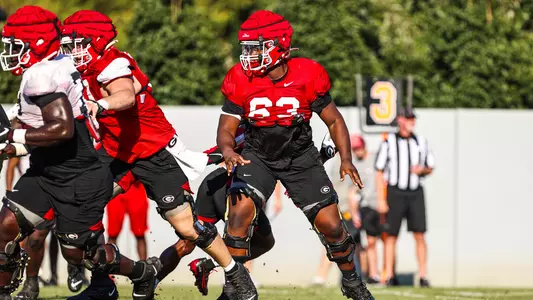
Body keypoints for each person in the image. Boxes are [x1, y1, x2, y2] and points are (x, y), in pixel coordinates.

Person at [60, 10, 257, 300]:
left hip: (152, 152)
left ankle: (234, 273)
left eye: (77, 43)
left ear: (97, 41)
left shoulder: (114, 64)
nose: (72, 51)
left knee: (188, 228)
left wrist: (99, 105)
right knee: (82, 208)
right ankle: (108, 282)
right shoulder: (87, 69)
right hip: (115, 153)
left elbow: (125, 94)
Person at [216, 10, 373, 300]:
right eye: (246, 48)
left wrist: (347, 159)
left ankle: (352, 281)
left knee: (332, 226)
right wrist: (227, 150)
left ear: (279, 46)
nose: (248, 55)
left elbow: (334, 120)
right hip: (257, 155)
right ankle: (233, 286)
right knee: (238, 214)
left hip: (300, 157)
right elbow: (227, 127)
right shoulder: (240, 78)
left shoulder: (308, 74)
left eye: (255, 47)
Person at [0, 6, 155, 300]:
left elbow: (61, 130)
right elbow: (47, 134)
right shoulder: (52, 64)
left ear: (39, 43)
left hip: (77, 176)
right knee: (5, 227)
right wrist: (12, 147)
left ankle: (142, 273)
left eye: (15, 45)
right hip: (47, 169)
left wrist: (13, 135)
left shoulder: (43, 75)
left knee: (81, 255)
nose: (9, 51)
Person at [156, 129, 337, 296]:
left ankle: (150, 282)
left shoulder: (248, 124)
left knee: (185, 244)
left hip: (213, 182)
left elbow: (220, 150)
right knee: (251, 243)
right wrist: (323, 155)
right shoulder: (275, 131)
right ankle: (212, 271)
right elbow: (295, 170)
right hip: (236, 190)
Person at [375, 108, 435, 287]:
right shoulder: (389, 142)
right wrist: (381, 199)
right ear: (400, 120)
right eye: (408, 118)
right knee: (391, 235)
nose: (412, 122)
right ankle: (389, 275)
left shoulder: (421, 141)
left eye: (413, 119)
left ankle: (423, 275)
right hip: (395, 192)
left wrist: (421, 170)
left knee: (420, 234)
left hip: (415, 192)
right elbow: (379, 171)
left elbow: (430, 166)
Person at [107, 181, 149, 260]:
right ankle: (108, 269)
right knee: (112, 234)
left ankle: (145, 267)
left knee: (139, 233)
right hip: (116, 186)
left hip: (136, 188)